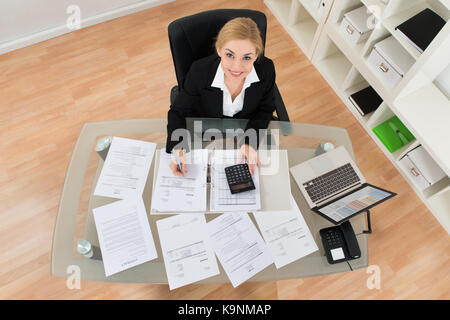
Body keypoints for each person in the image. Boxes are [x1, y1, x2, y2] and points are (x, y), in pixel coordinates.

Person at [166, 17, 276, 176]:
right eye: (230, 55)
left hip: (246, 128)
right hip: (204, 130)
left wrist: (250, 143)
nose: (237, 67)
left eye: (247, 57)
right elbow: (178, 111)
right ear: (219, 50)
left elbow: (265, 109)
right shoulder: (199, 71)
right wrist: (178, 148)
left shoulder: (266, 69)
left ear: (256, 54)